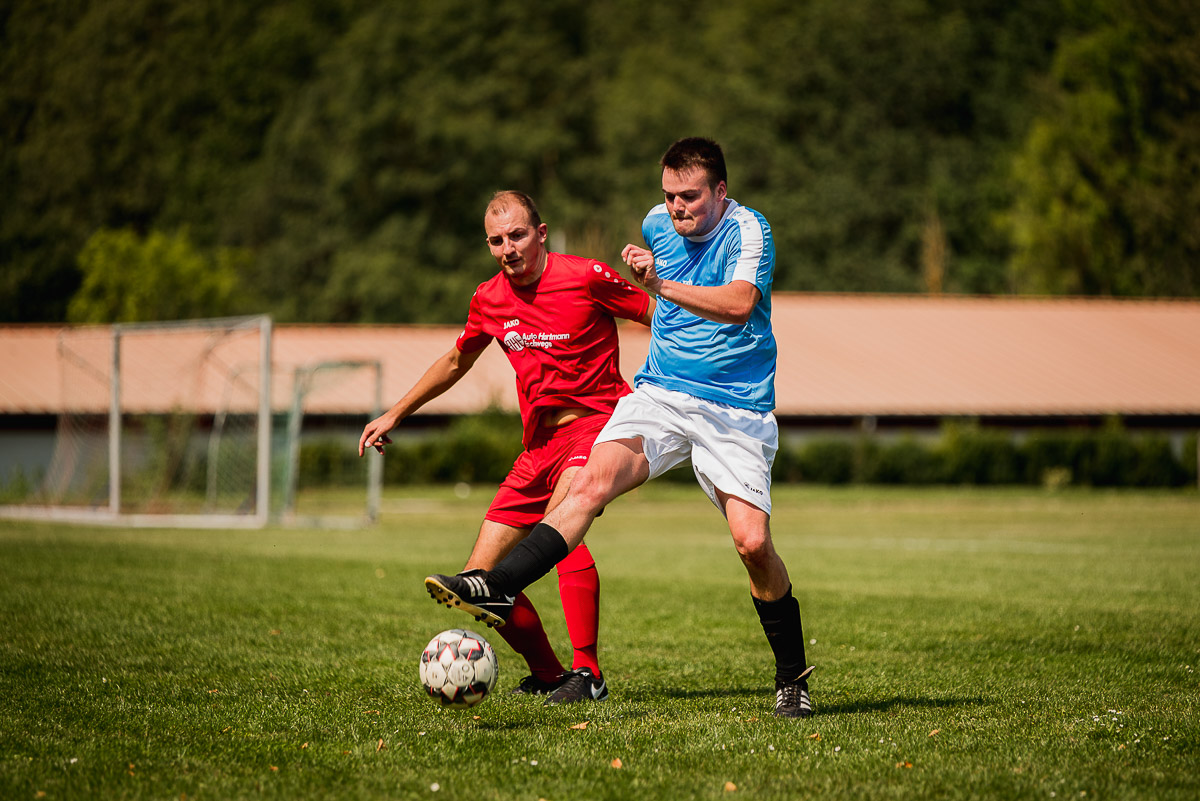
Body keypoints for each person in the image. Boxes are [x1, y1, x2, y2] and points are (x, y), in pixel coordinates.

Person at [424, 138, 815, 718]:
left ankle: (792, 677)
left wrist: (655, 285)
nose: (677, 208)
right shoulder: (656, 224)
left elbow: (737, 304)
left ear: (721, 192)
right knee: (588, 486)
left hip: (735, 409)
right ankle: (501, 585)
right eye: (669, 196)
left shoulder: (750, 230)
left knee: (752, 544)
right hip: (660, 393)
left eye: (690, 196)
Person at [360, 190, 654, 705]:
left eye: (517, 235)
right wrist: (394, 413)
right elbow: (456, 362)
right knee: (475, 584)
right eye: (496, 240)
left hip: (597, 425)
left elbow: (661, 319)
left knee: (566, 522)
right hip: (538, 446)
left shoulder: (585, 275)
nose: (507, 248)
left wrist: (672, 393)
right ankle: (548, 672)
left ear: (540, 233)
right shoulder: (488, 297)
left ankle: (589, 674)